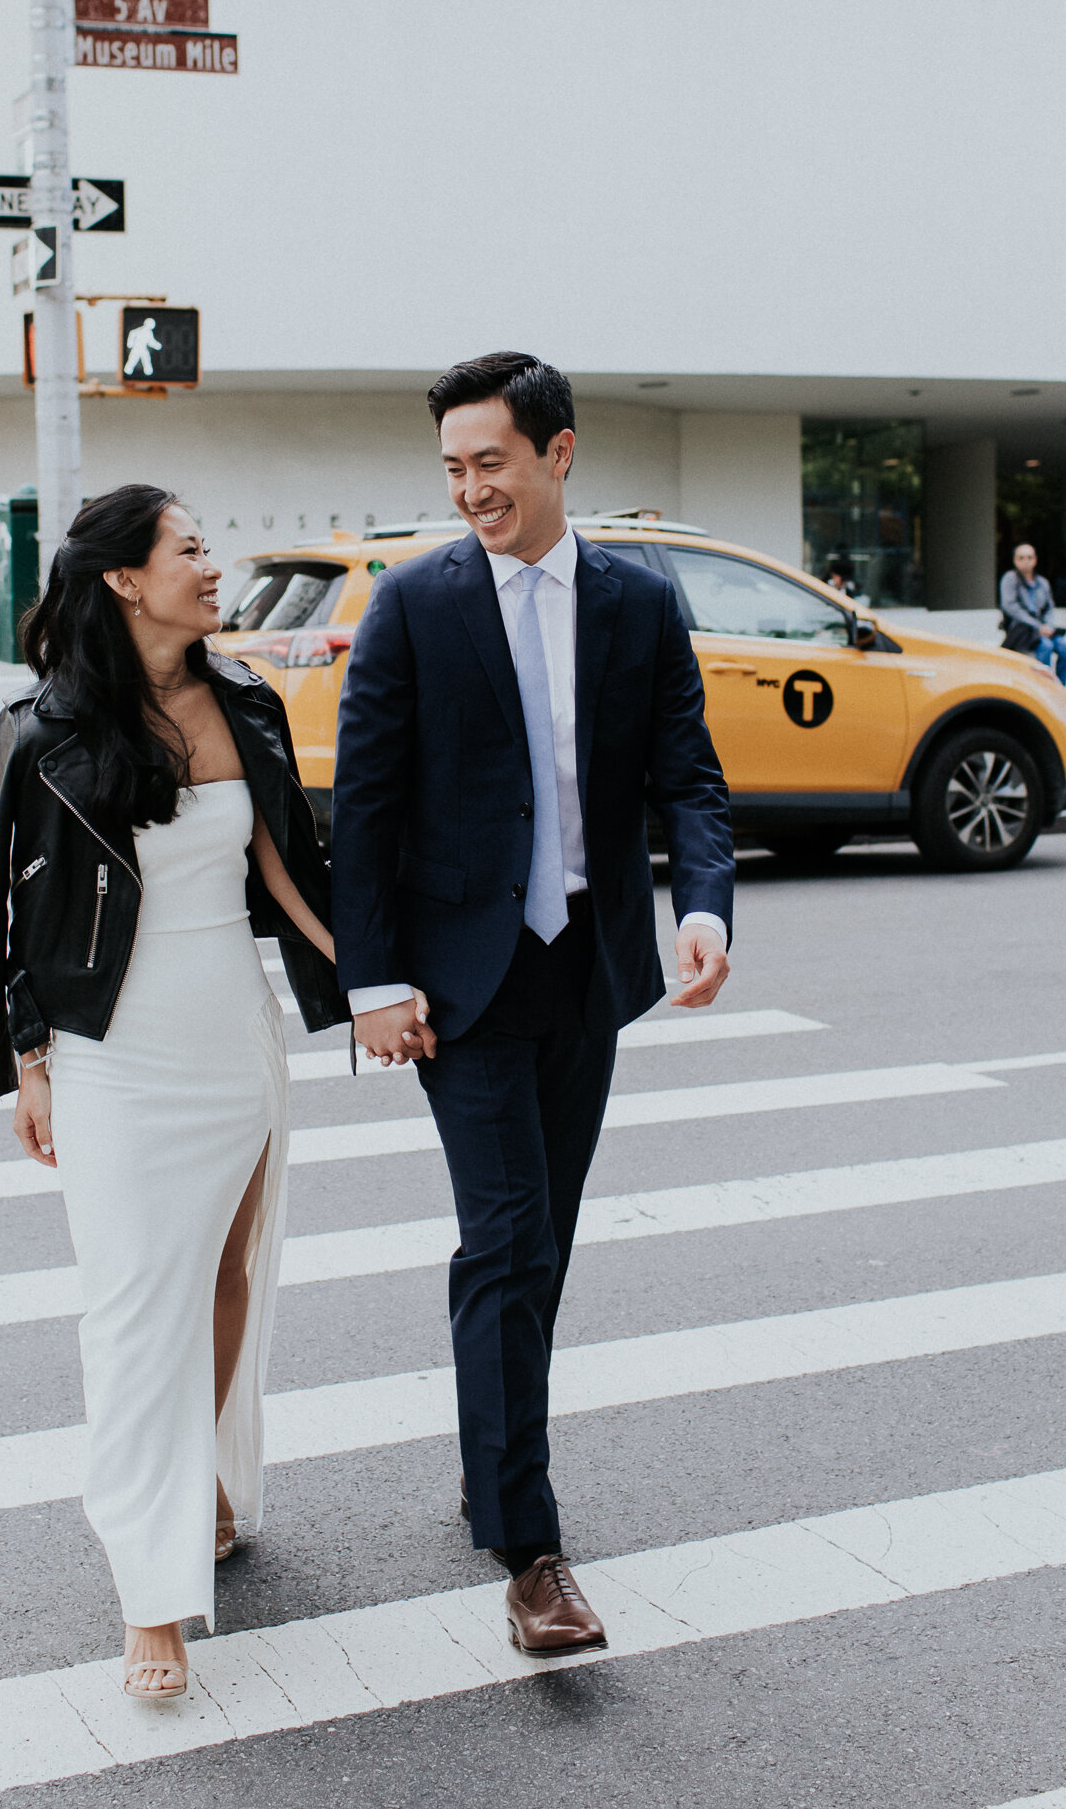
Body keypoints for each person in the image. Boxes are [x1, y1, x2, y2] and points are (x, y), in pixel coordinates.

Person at [332, 353, 734, 1656]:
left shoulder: (637, 602)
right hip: (464, 984)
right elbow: (369, 804)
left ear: (559, 454)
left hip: (593, 973)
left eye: (488, 462)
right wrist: (373, 979)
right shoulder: (413, 605)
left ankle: (490, 1461)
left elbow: (689, 776)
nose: (469, 491)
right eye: (451, 469)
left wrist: (704, 906)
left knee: (542, 1246)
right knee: (504, 1243)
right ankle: (531, 1551)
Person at [0, 485, 345, 1702]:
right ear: (126, 578)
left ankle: (214, 1486)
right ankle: (153, 1598)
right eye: (190, 549)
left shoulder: (244, 701)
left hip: (233, 1034)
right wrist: (26, 1058)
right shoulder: (40, 728)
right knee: (132, 1310)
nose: (212, 565)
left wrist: (377, 983)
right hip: (110, 1047)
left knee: (226, 1277)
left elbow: (287, 870)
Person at [1000, 541, 1066, 684]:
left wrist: (1048, 626)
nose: (1026, 561)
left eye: (1029, 557)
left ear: (1035, 560)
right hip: (1023, 630)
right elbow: (1011, 607)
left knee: (1065, 648)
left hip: (1044, 629)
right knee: (1046, 646)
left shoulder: (1042, 583)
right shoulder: (1010, 579)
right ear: (1015, 560)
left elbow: (1049, 607)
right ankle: (1044, 687)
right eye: (1021, 558)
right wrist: (1038, 627)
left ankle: (1060, 689)